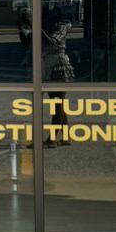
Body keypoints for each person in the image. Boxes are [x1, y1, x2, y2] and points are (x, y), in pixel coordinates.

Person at [42, 8, 74, 146]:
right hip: (48, 65)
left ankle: (52, 139)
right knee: (58, 103)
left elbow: (51, 41)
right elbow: (26, 40)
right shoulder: (45, 27)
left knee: (57, 103)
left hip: (59, 64)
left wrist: (34, 25)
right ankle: (65, 137)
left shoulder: (62, 26)